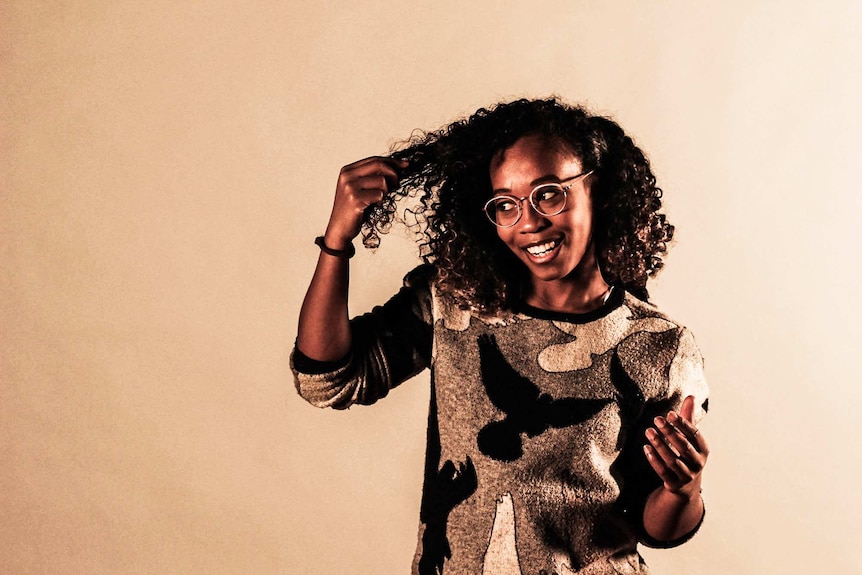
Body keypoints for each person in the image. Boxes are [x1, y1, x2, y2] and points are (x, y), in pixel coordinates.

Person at [291, 97, 710, 575]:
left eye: (549, 193)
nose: (528, 222)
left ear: (600, 189)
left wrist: (683, 489)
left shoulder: (658, 346)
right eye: (505, 204)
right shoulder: (454, 304)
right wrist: (337, 241)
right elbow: (327, 380)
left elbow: (656, 527)